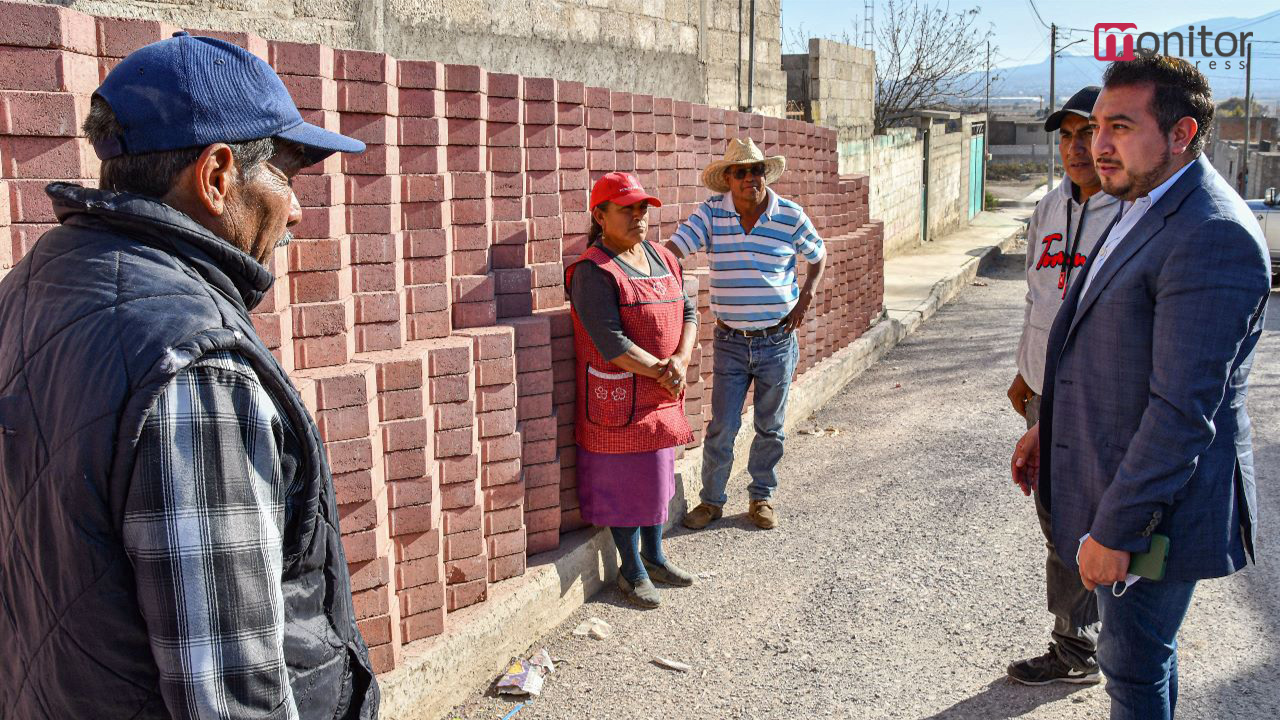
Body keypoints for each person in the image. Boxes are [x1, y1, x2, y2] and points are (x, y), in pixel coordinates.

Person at [0, 33, 379, 718]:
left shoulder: (33, 283)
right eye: (287, 176)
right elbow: (231, 696)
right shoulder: (196, 367)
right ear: (216, 176)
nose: (296, 209)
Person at [1011, 52, 1269, 720]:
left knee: (1130, 665)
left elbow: (1183, 411)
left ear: (1181, 134)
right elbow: (1111, 351)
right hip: (1114, 470)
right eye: (1096, 126)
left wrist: (1117, 530)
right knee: (1142, 656)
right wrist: (1053, 423)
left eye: (1119, 127)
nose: (1098, 144)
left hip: (1160, 506)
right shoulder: (1142, 200)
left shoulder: (1210, 233)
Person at [1005, 86, 1121, 687]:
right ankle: (1082, 639)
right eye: (1067, 135)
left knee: (1092, 521)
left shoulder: (1129, 213)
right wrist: (1025, 373)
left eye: (1088, 133)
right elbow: (1037, 300)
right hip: (1045, 396)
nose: (1077, 147)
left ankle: (1085, 646)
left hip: (1095, 399)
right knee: (1056, 519)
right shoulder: (1048, 209)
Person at [668, 138, 826, 531]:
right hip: (731, 342)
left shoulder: (789, 214)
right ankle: (711, 502)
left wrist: (805, 296)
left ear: (764, 174)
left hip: (776, 341)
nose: (749, 178)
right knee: (723, 425)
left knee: (770, 426)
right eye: (740, 172)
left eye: (756, 171)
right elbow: (676, 250)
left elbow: (818, 254)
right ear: (728, 179)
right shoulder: (711, 215)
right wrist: (640, 266)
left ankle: (761, 497)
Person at [566, 172, 699, 608]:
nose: (639, 216)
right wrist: (661, 369)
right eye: (627, 209)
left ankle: (656, 555)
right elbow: (611, 342)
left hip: (660, 392)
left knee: (655, 479)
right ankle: (631, 568)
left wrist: (679, 360)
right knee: (624, 486)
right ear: (600, 216)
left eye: (643, 208)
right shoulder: (593, 271)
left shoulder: (663, 256)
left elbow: (690, 311)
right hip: (618, 397)